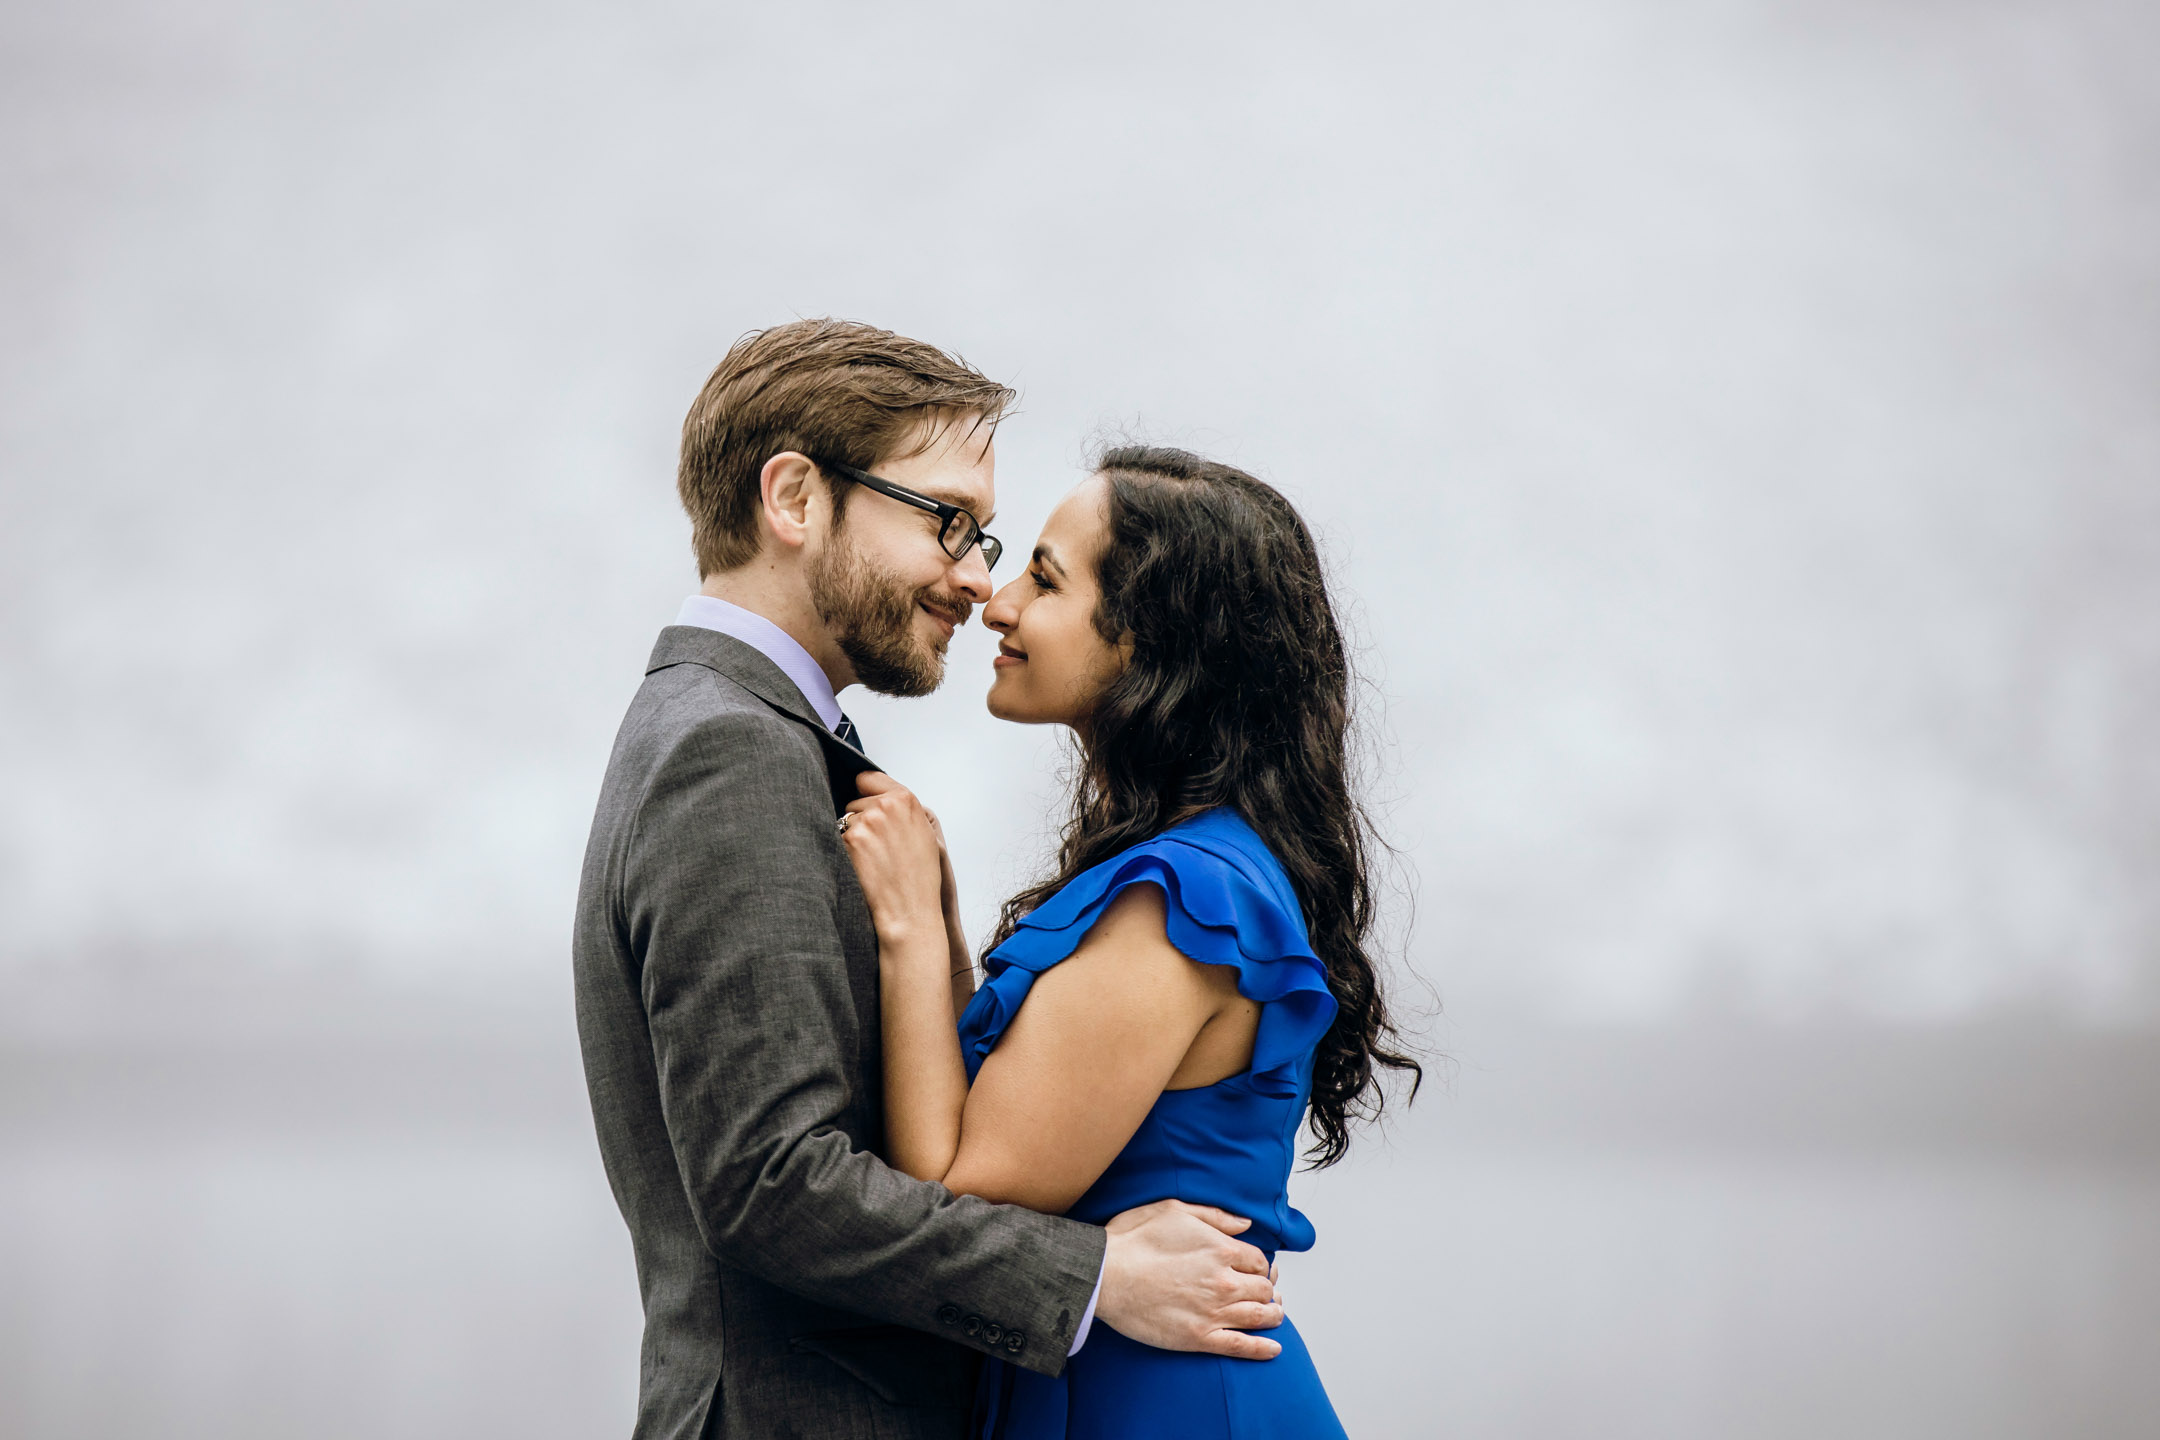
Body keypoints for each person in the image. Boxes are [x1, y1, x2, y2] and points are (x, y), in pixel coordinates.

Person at [572, 322, 1288, 1440]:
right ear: (796, 498)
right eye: (949, 522)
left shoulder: (753, 737)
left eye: (994, 544)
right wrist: (1095, 1277)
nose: (974, 579)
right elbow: (769, 1184)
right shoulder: (735, 752)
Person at [838, 446, 1423, 1438]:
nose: (998, 603)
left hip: (1162, 1404)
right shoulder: (1189, 871)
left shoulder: (1182, 897)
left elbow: (954, 1188)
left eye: (1046, 580)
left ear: (1153, 644)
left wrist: (911, 930)